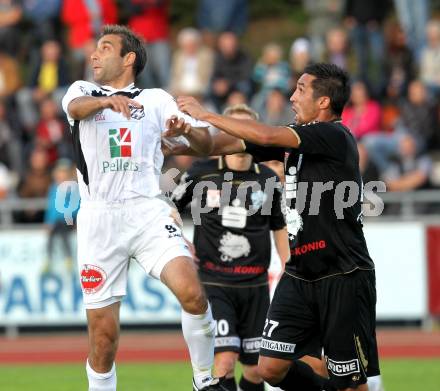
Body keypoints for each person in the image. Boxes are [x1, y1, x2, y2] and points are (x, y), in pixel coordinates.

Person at [174, 63, 380, 391]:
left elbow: (266, 134)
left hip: (342, 274)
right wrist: (172, 143)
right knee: (269, 367)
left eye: (300, 89)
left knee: (350, 383)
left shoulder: (333, 135)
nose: (292, 96)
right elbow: (228, 144)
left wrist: (207, 114)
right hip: (300, 274)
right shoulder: (296, 139)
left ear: (324, 101)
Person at [61, 24, 227, 391]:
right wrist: (106, 101)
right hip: (99, 218)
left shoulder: (155, 98)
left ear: (128, 58)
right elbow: (75, 108)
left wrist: (186, 127)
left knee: (192, 293)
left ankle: (204, 380)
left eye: (104, 48)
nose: (94, 54)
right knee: (103, 339)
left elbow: (202, 143)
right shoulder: (83, 91)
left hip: (147, 211)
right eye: (95, 48)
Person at [171, 104, 290, 391]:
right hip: (214, 282)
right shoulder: (201, 172)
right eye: (231, 128)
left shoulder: (268, 178)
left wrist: (289, 267)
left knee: (256, 370)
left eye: (245, 129)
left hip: (255, 285)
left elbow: (278, 225)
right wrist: (179, 238)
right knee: (224, 362)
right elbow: (167, 206)